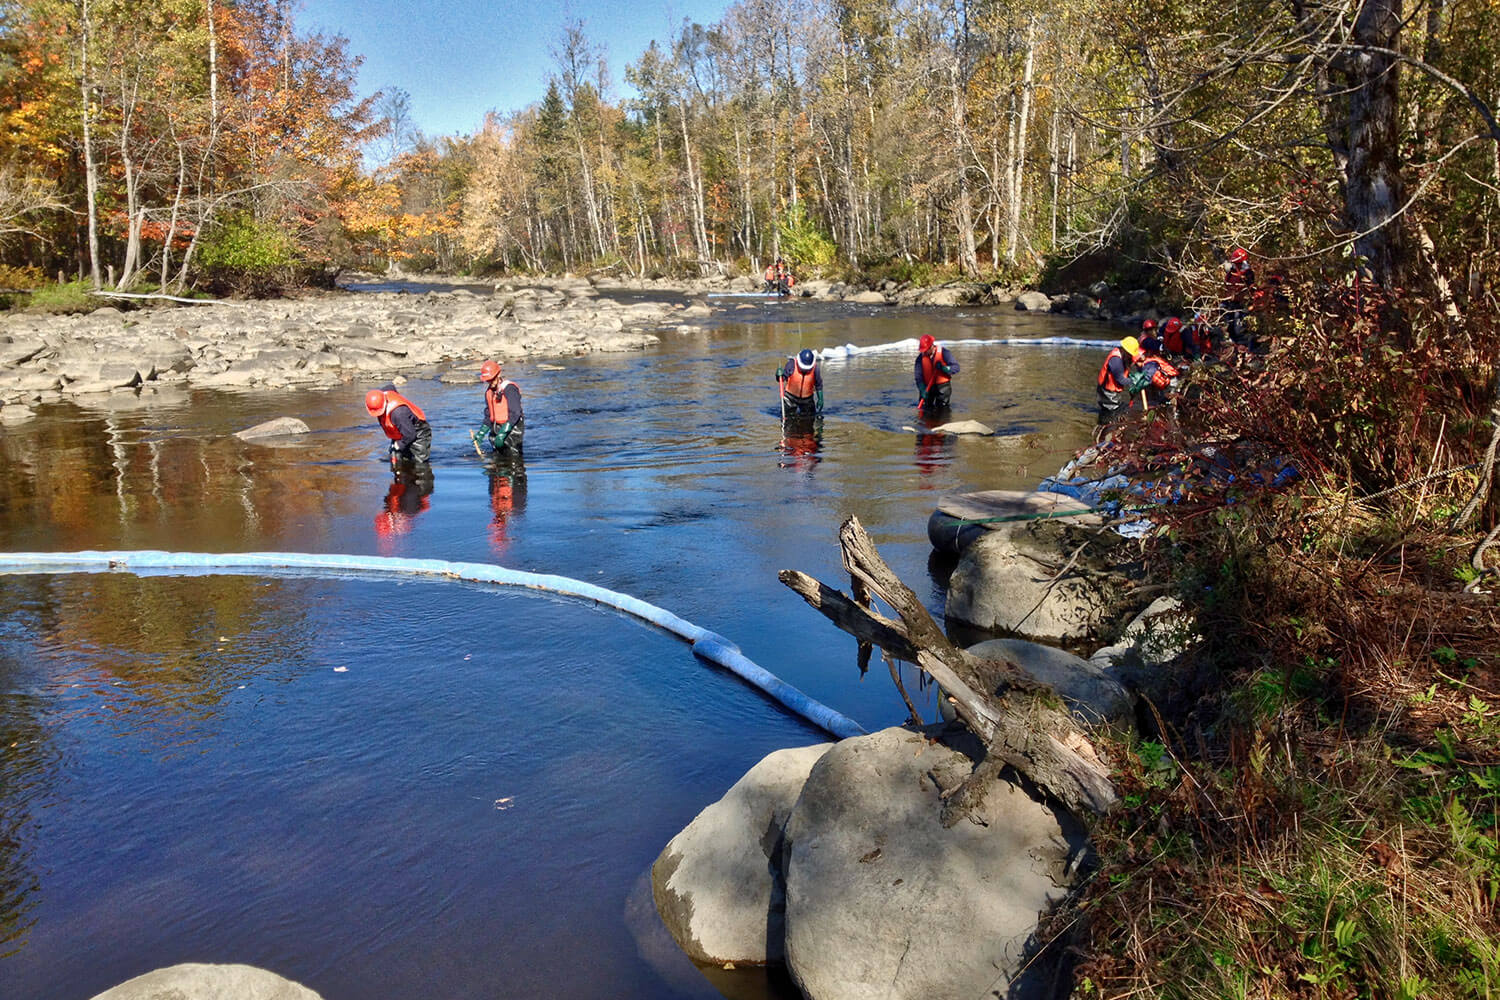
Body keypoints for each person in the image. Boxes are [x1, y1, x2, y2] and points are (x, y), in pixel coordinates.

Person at [365, 385, 431, 468]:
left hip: (417, 430)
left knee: (420, 464)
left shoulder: (398, 413)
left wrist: (399, 444)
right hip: (401, 428)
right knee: (397, 459)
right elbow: (390, 387)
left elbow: (410, 435)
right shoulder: (381, 394)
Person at [473, 359, 524, 457]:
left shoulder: (510, 389)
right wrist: (481, 433)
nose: (490, 382)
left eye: (491, 379)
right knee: (497, 459)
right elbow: (489, 414)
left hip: (512, 428)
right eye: (487, 380)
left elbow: (516, 412)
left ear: (498, 374)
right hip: (496, 428)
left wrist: (503, 433)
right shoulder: (489, 392)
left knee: (513, 459)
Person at [1096, 335, 1142, 424]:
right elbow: (1121, 379)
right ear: (1125, 350)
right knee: (1111, 411)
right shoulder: (1116, 360)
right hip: (1106, 391)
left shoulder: (1125, 355)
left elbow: (1136, 358)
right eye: (1130, 353)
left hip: (1113, 391)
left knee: (1115, 409)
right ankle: (1103, 425)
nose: (1131, 356)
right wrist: (1134, 381)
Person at [1131, 336, 1181, 409]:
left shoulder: (1150, 365)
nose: (1136, 365)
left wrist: (1136, 387)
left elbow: (1147, 378)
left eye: (1136, 363)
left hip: (1171, 383)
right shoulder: (1148, 361)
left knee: (1168, 403)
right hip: (1165, 383)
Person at [914, 334, 959, 412]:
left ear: (932, 346)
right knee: (925, 410)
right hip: (927, 387)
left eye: (926, 350)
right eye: (922, 351)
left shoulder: (945, 353)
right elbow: (918, 376)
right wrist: (921, 388)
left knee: (942, 410)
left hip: (943, 388)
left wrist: (944, 368)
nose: (924, 352)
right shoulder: (920, 359)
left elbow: (956, 367)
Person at [1221, 246, 1256, 347]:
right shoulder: (1231, 272)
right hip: (1230, 302)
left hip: (1241, 303)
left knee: (1239, 324)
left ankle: (1244, 343)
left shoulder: (1247, 273)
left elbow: (1250, 288)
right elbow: (1227, 286)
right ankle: (1234, 343)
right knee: (1230, 323)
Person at [776, 348, 823, 419]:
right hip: (790, 398)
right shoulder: (791, 365)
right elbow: (781, 380)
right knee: (788, 421)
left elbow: (818, 385)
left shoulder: (815, 369)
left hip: (807, 400)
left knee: (809, 421)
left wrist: (820, 399)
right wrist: (778, 375)